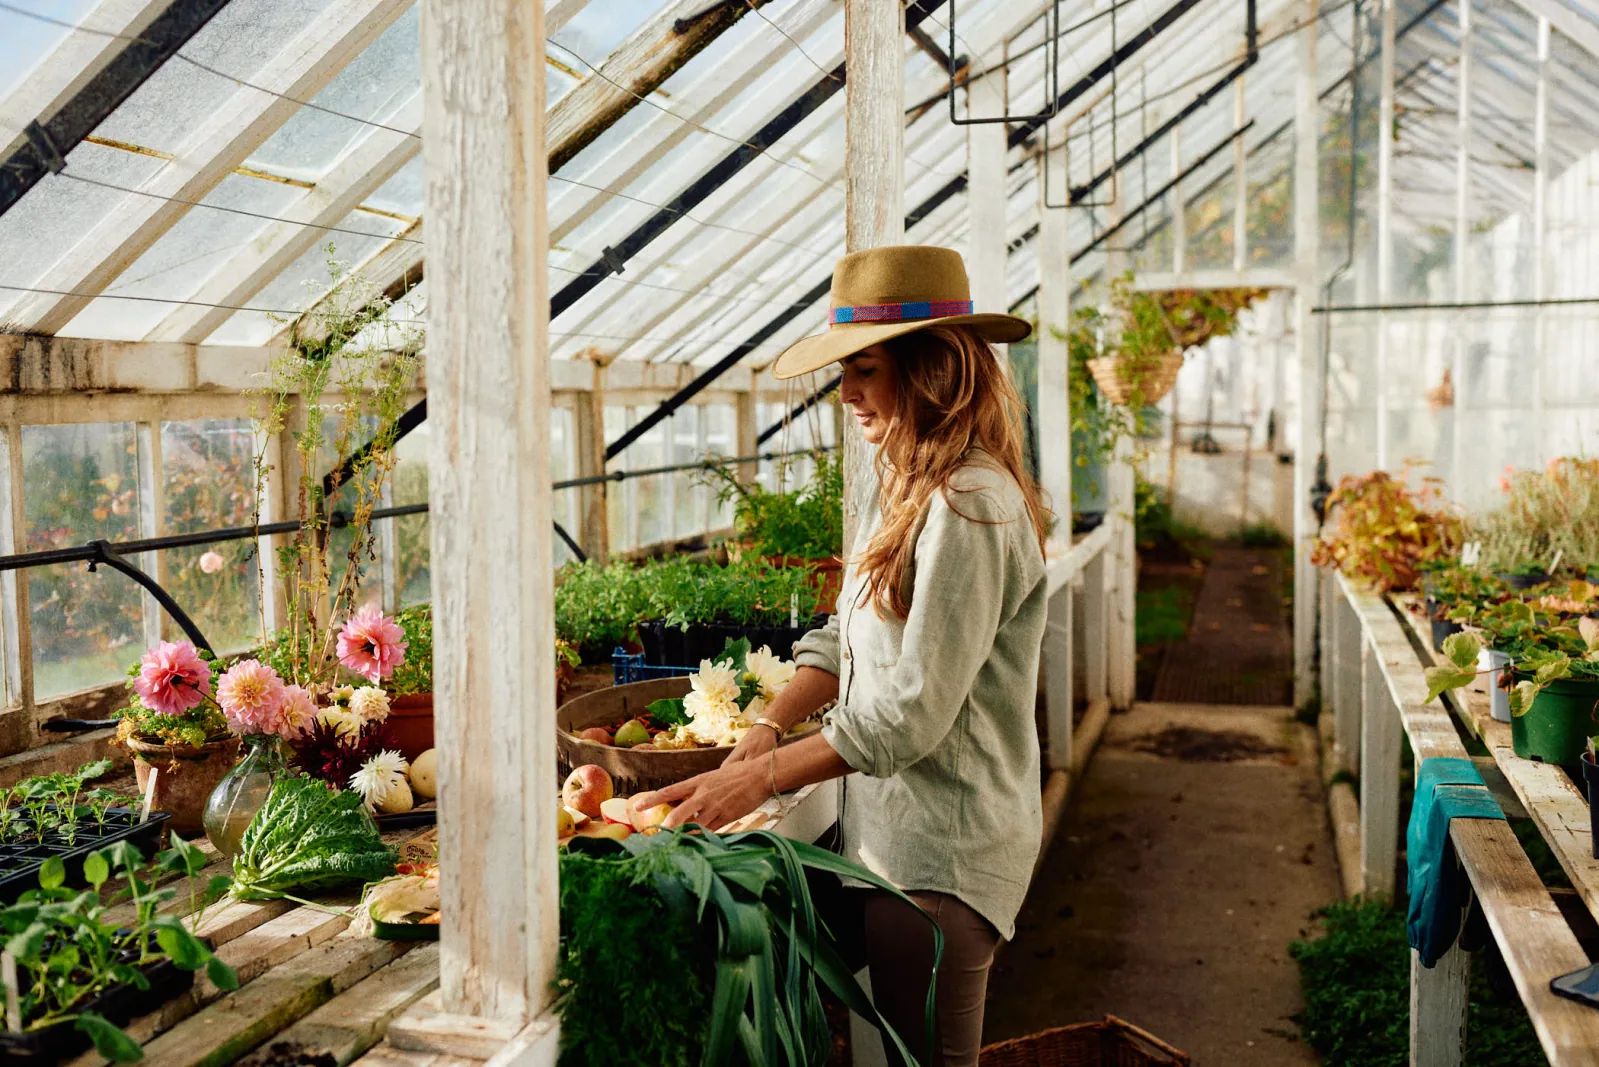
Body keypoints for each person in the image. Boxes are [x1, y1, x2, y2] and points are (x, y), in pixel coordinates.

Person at [634, 245, 1048, 1067]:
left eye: (864, 369)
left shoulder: (969, 505)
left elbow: (910, 714)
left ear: (931, 370)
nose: (846, 392)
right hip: (889, 842)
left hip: (941, 861)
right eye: (842, 371)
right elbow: (842, 635)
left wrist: (760, 777)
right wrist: (767, 721)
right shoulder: (900, 483)